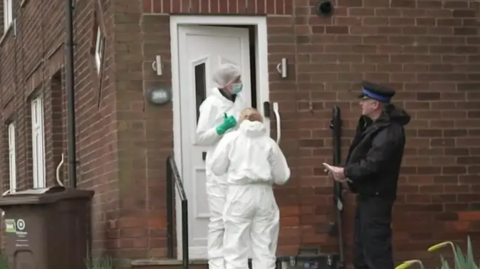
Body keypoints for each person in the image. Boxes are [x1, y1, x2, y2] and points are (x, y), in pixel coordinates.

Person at [326, 81, 410, 269]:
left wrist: (346, 172)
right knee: (362, 250)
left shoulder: (388, 131)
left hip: (377, 197)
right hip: (369, 195)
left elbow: (374, 163)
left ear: (376, 105)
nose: (360, 103)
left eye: (365, 100)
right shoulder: (374, 126)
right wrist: (348, 176)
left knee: (376, 252)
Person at [207, 108, 291, 269]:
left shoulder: (230, 139)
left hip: (239, 194)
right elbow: (282, 177)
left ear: (241, 121)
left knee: (235, 247)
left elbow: (217, 168)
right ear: (260, 121)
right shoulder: (269, 143)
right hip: (264, 194)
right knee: (264, 247)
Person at [196, 63, 247, 269]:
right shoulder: (210, 104)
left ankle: (234, 263)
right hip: (218, 170)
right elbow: (201, 137)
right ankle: (216, 264)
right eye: (236, 81)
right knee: (219, 219)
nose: (239, 84)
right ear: (226, 84)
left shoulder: (240, 100)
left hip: (238, 167)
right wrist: (221, 128)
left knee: (236, 218)